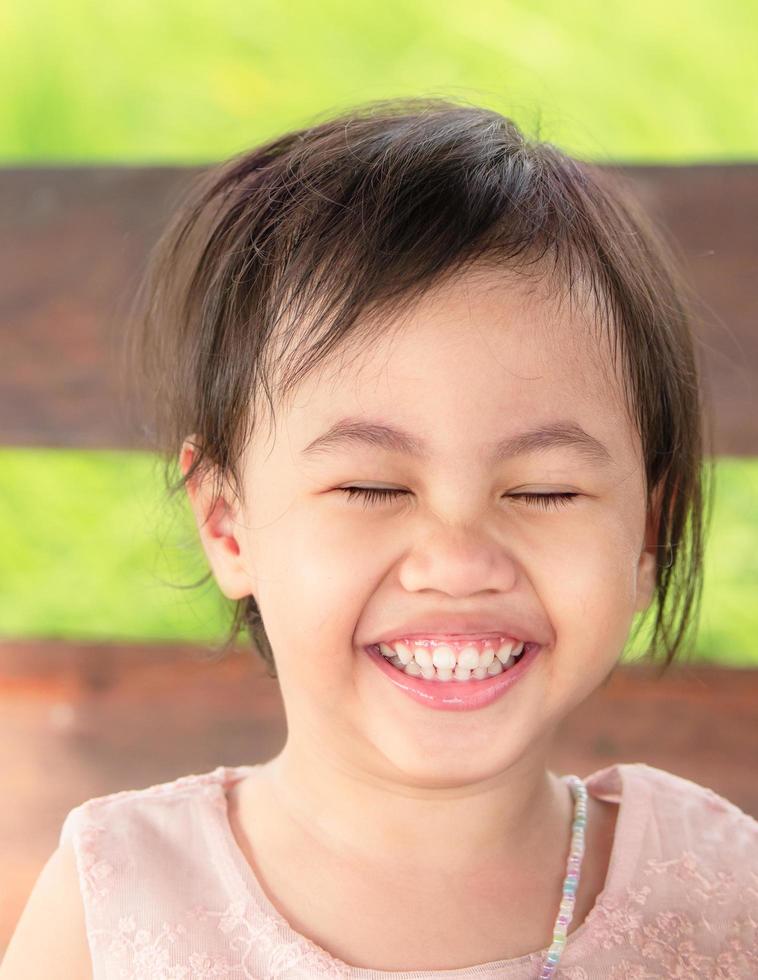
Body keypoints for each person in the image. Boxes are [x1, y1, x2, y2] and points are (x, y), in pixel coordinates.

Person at [2, 97, 756, 980]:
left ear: (646, 536)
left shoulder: (719, 890)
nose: (458, 562)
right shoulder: (114, 904)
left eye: (545, 491)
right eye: (370, 486)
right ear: (226, 524)